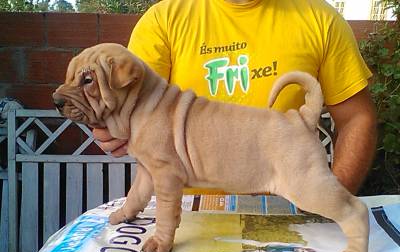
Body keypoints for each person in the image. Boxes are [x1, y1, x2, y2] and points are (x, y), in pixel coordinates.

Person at [93, 0, 377, 195]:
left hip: (291, 206)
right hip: (188, 212)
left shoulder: (320, 18)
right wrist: (114, 126)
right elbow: (129, 110)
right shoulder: (164, 20)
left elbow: (356, 118)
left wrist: (334, 197)